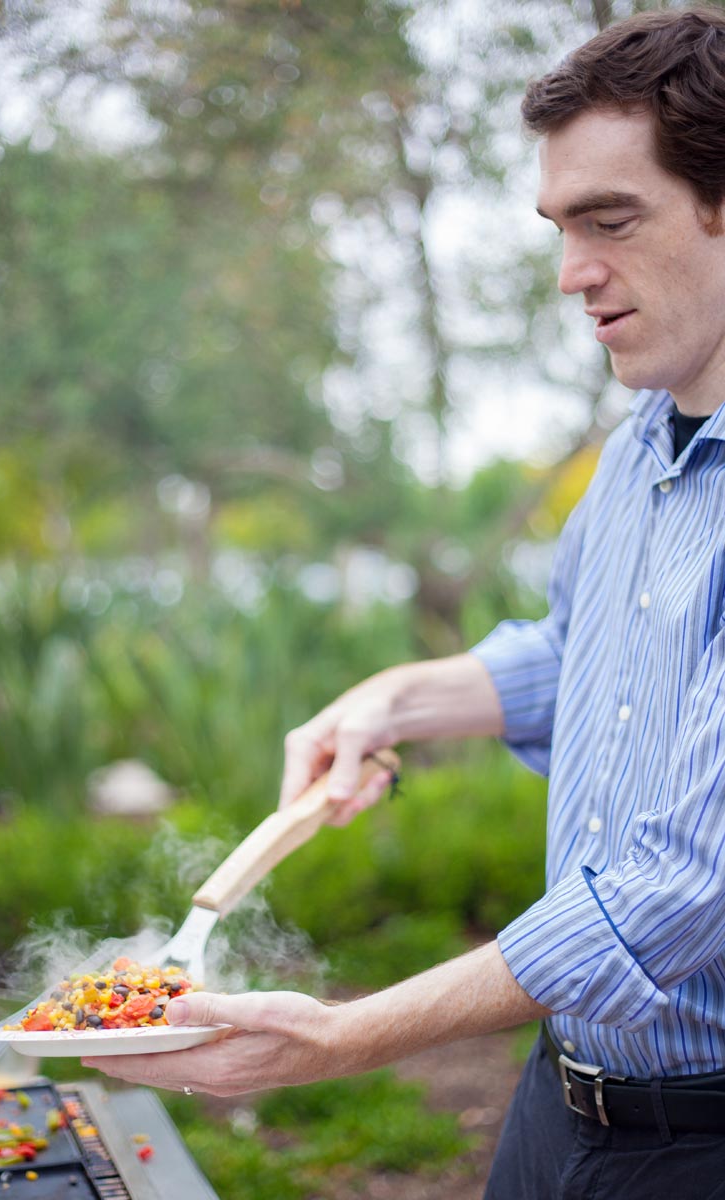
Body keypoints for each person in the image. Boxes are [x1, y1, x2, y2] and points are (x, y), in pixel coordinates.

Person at [84, 7, 725, 1195]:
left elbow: (678, 891)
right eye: (557, 226)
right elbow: (575, 651)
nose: (569, 272)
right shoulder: (640, 448)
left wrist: (338, 1036)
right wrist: (392, 699)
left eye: (610, 221)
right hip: (556, 1104)